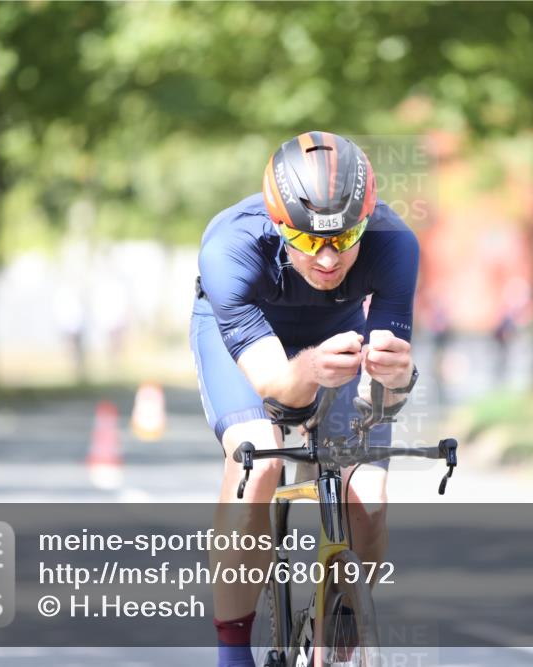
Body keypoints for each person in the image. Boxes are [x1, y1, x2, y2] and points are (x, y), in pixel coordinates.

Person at [190, 131, 420, 667]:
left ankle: (344, 623)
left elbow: (381, 402)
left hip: (336, 333)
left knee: (368, 498)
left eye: (344, 237)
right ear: (278, 224)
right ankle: (232, 653)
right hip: (247, 343)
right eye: (308, 240)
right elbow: (277, 387)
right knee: (257, 459)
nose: (327, 258)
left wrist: (399, 378)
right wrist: (313, 369)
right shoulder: (230, 248)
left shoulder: (396, 245)